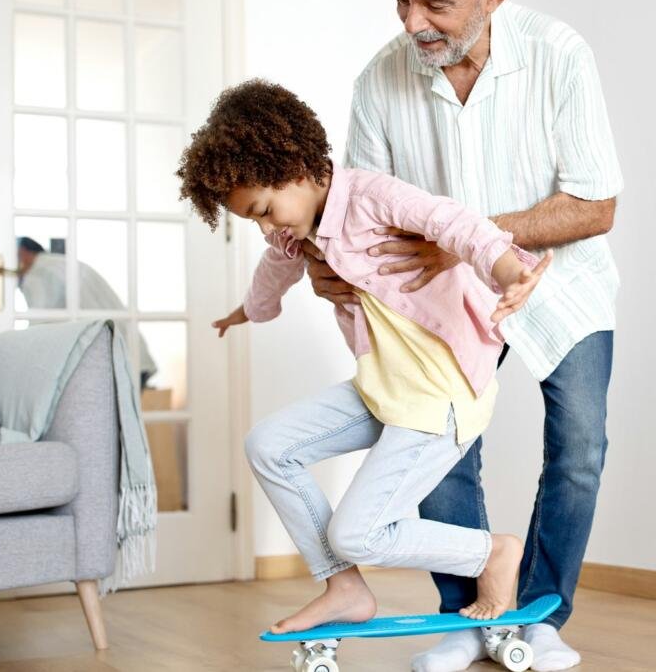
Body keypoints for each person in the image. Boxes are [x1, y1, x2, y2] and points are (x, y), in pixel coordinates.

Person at [303, 0, 624, 669]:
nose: (413, 22)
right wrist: (327, 268)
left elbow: (595, 204)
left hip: (563, 289)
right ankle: (470, 614)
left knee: (580, 449)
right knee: (439, 453)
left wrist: (471, 240)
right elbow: (360, 214)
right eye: (401, 0)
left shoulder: (559, 56)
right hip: (441, 304)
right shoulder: (380, 79)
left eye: (436, 4)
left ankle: (541, 615)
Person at [177, 79, 554, 635]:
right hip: (385, 389)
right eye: (252, 220)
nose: (266, 227)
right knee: (269, 446)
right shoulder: (294, 233)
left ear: (296, 167)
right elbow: (272, 272)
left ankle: (491, 553)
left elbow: (458, 225)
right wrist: (247, 311)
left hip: (437, 394)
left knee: (355, 531)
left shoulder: (372, 196)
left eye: (264, 209)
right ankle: (344, 586)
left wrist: (508, 272)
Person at [16, 237, 159, 387]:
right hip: (132, 357)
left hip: (112, 364)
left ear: (23, 252)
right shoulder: (60, 264)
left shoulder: (39, 272)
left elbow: (37, 325)